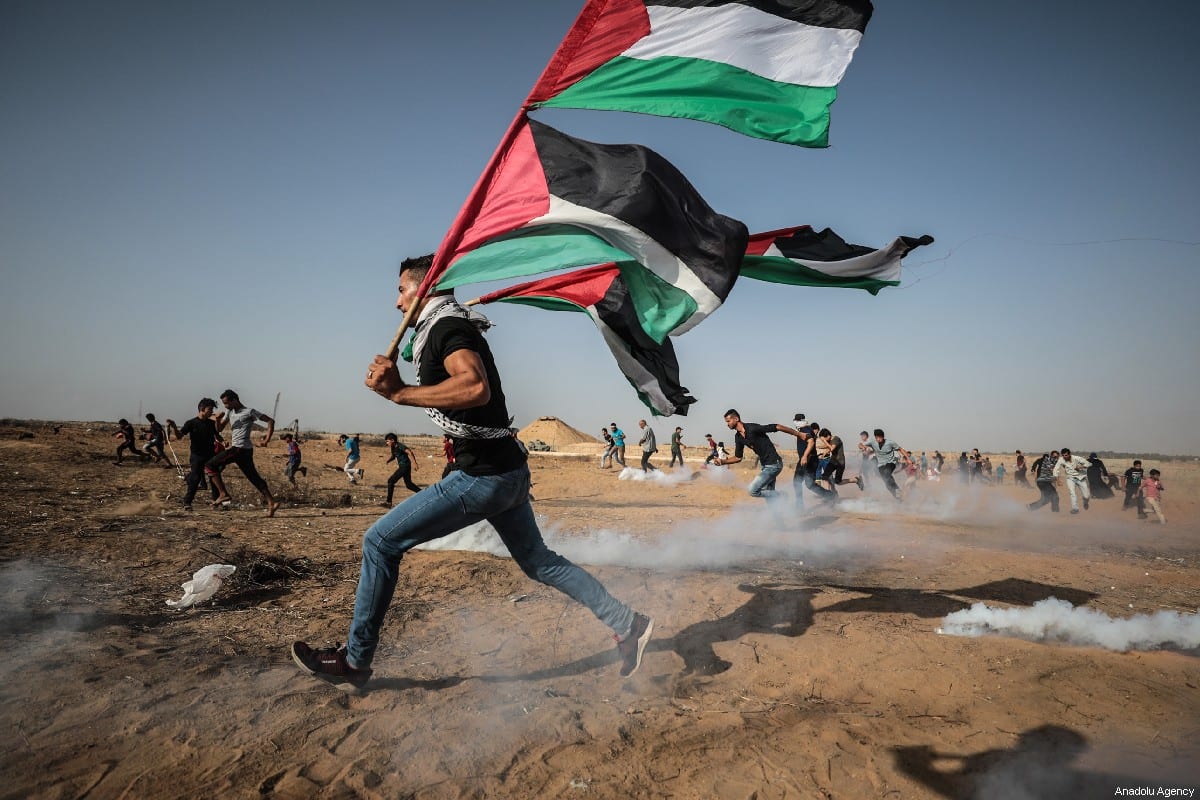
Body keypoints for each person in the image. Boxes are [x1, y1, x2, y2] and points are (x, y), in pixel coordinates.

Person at [292, 254, 653, 693]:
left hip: (485, 477)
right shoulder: (442, 328)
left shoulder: (449, 328)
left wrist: (400, 392)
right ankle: (627, 623)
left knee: (380, 542)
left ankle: (354, 661)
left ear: (424, 290)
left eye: (402, 290)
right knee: (541, 563)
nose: (396, 303)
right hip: (506, 471)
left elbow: (474, 386)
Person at [207, 389, 279, 516]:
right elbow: (219, 429)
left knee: (209, 465)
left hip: (239, 449)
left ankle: (223, 494)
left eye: (227, 403)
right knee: (253, 477)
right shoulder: (230, 412)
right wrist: (217, 420)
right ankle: (271, 502)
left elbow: (270, 421)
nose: (225, 406)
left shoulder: (249, 412)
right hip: (244, 450)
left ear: (235, 400)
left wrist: (266, 439)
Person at [713, 409, 798, 502]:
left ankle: (781, 495)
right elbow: (738, 457)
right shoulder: (738, 437)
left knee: (752, 490)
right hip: (765, 465)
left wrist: (798, 434)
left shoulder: (752, 428)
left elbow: (776, 427)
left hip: (774, 464)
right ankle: (777, 515)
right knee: (769, 494)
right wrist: (722, 461)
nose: (727, 424)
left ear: (736, 419)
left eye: (728, 421)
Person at [166, 399, 221, 510]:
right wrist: (174, 427)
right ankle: (187, 502)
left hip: (211, 455)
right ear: (202, 409)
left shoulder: (211, 423)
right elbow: (179, 436)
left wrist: (223, 441)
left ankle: (217, 502)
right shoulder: (191, 423)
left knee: (214, 478)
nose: (212, 412)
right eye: (210, 409)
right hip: (197, 455)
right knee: (195, 478)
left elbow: (217, 436)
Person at [790, 416, 836, 510]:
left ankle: (799, 506)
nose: (795, 422)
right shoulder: (806, 429)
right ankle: (829, 495)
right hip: (811, 460)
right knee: (810, 484)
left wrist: (804, 456)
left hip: (807, 460)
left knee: (797, 482)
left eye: (796, 420)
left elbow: (810, 443)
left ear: (800, 421)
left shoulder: (805, 429)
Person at [866, 429, 910, 501]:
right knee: (887, 483)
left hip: (892, 462)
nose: (878, 439)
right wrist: (862, 446)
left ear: (883, 437)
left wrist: (907, 459)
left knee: (887, 473)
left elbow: (900, 451)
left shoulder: (890, 443)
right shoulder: (873, 443)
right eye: (877, 438)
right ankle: (898, 497)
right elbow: (862, 445)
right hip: (881, 465)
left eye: (880, 437)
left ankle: (898, 490)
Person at [819, 428, 863, 493]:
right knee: (824, 477)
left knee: (838, 482)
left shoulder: (836, 439)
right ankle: (829, 494)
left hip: (840, 463)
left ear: (828, 436)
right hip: (833, 461)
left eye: (824, 439)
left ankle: (856, 480)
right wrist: (824, 452)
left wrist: (825, 442)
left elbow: (832, 448)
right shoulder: (829, 440)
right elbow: (829, 448)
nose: (823, 441)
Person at [383, 433, 421, 505]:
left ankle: (388, 502)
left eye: (387, 441)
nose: (386, 443)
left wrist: (415, 463)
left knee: (391, 481)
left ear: (392, 440)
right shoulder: (393, 447)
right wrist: (389, 460)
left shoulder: (400, 446)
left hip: (405, 466)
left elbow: (410, 452)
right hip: (403, 466)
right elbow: (394, 456)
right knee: (409, 485)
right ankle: (422, 493)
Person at [1053, 448, 1092, 514]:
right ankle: (1075, 508)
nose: (1064, 457)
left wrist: (1080, 467)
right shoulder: (1061, 460)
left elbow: (1089, 464)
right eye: (1063, 455)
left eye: (1066, 455)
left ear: (1069, 454)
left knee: (1086, 496)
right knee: (1072, 493)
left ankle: (1085, 502)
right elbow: (1055, 470)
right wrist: (1058, 480)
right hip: (1070, 478)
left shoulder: (1077, 458)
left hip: (1081, 477)